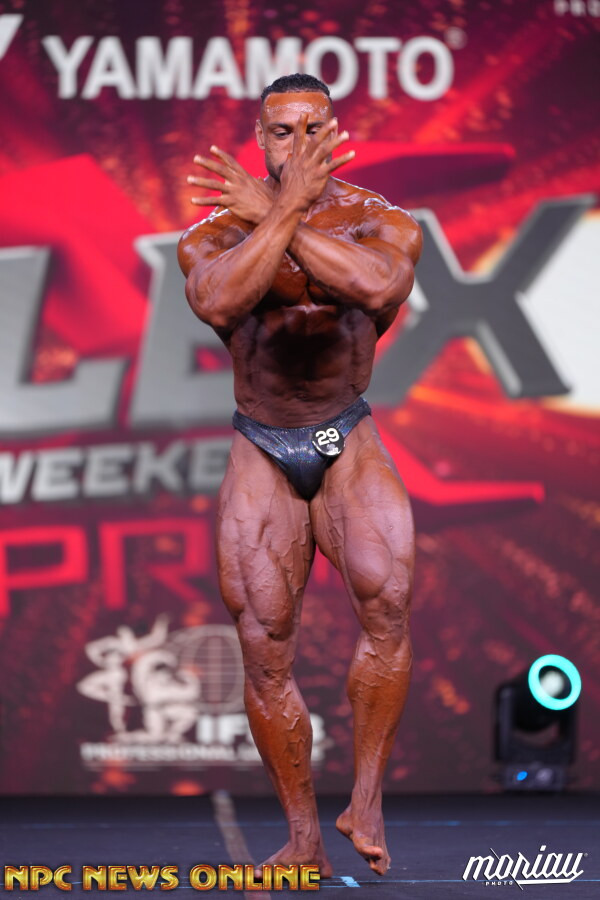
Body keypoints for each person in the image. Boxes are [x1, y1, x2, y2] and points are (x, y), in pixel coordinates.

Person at [178, 73, 422, 878]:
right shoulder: (214, 234)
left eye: (313, 128)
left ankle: (366, 799)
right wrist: (276, 212)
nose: (298, 144)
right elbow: (219, 303)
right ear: (260, 139)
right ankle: (302, 836)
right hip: (262, 445)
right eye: (282, 131)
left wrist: (275, 212)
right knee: (264, 644)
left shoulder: (383, 221)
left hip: (348, 433)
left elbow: (377, 285)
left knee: (389, 606)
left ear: (335, 133)